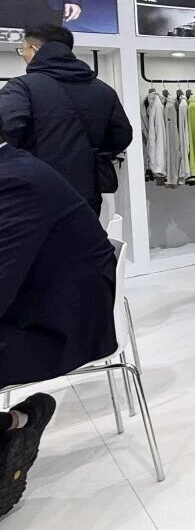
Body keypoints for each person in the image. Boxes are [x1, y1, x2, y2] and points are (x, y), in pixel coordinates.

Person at [0, 130, 115, 517]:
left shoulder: (16, 181)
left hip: (63, 325)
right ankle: (16, 424)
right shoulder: (14, 169)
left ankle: (16, 427)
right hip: (45, 304)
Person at [0, 24, 132, 215]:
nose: (23, 55)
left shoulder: (21, 87)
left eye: (23, 49)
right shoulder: (104, 90)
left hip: (34, 190)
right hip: (87, 191)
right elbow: (122, 135)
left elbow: (8, 128)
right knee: (84, 233)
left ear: (35, 49)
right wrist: (90, 155)